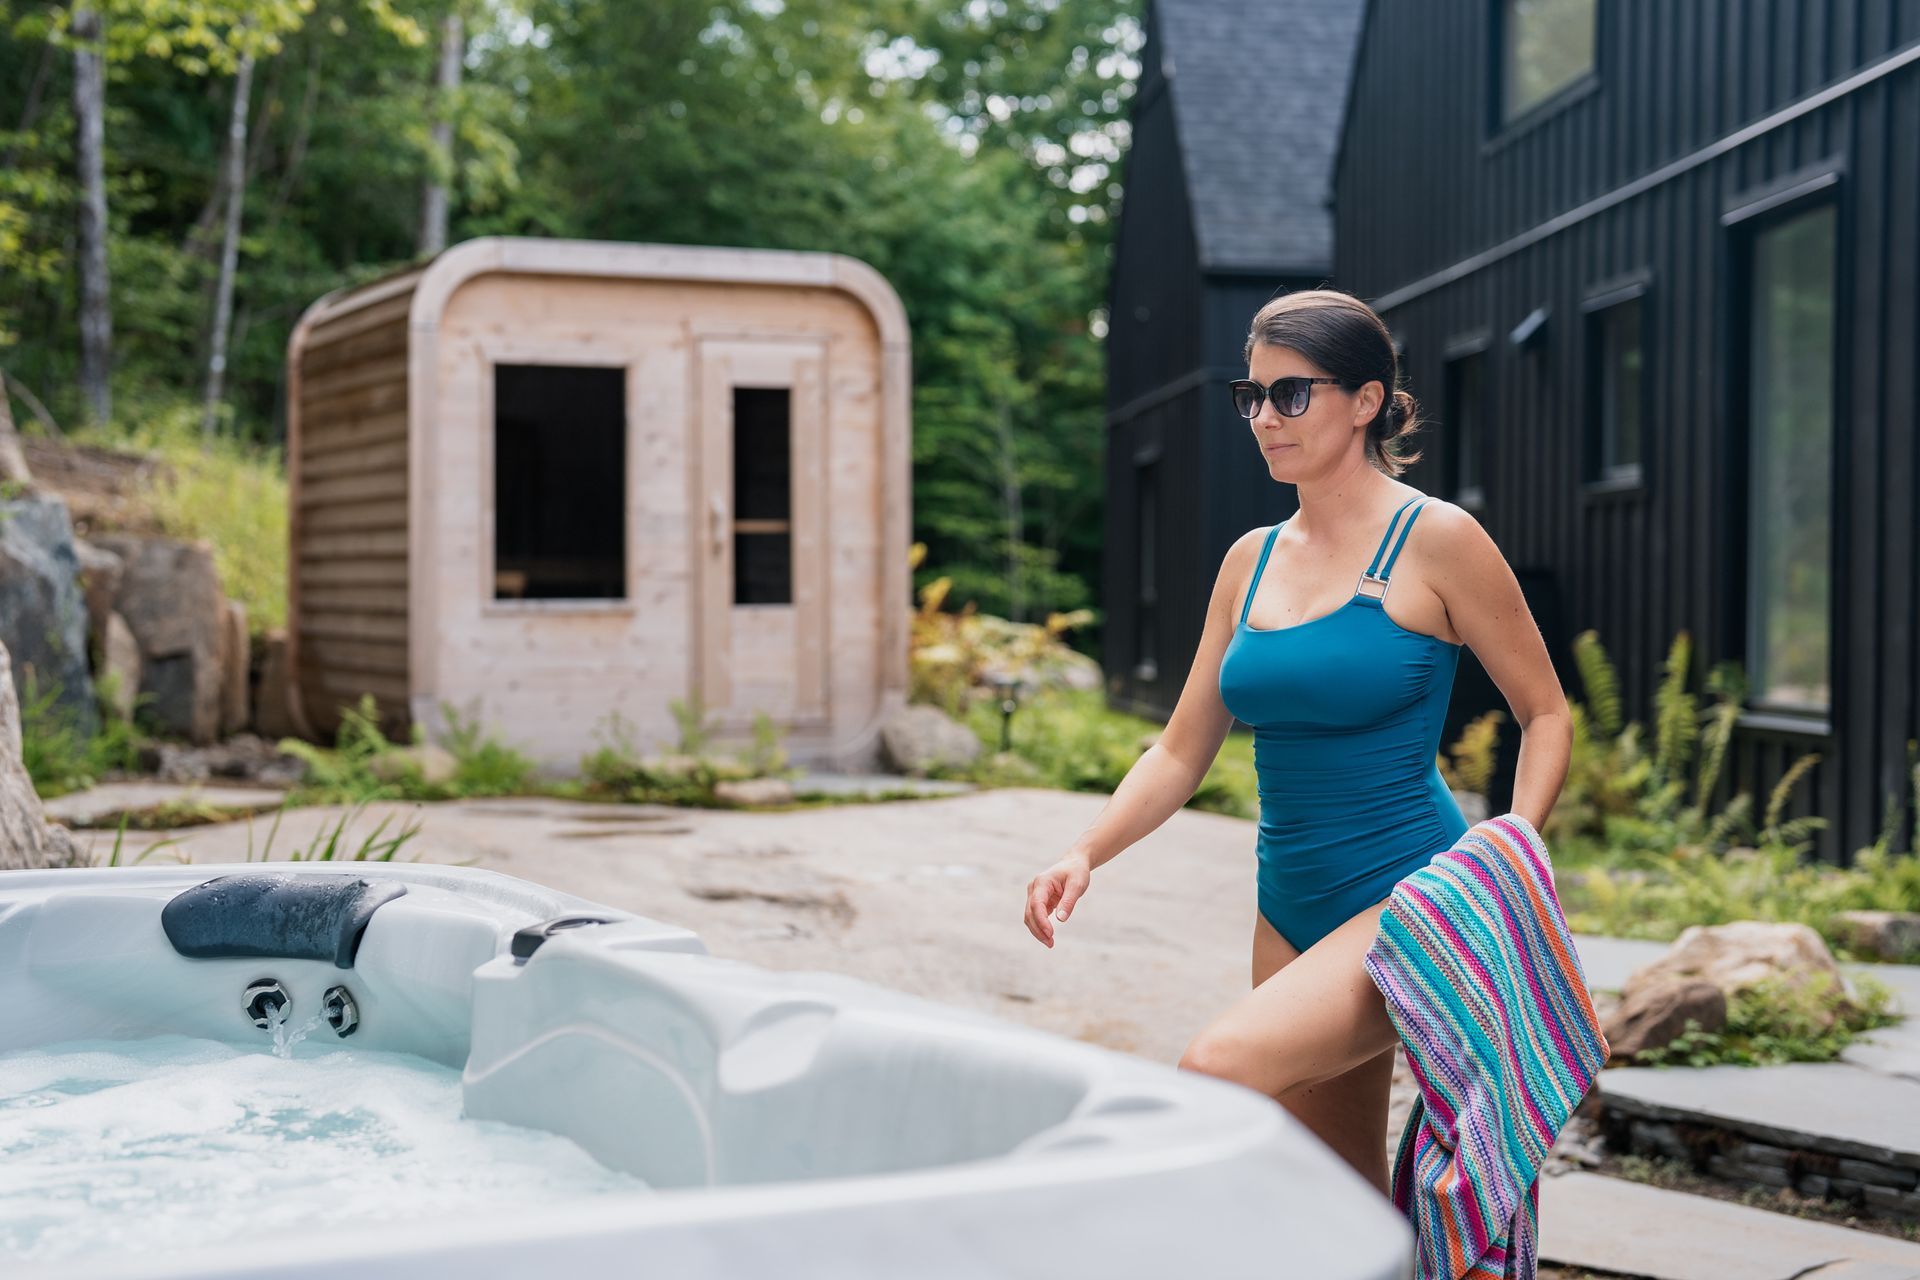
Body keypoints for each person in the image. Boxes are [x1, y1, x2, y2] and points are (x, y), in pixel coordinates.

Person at [1021, 287, 1573, 1198]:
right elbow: (1181, 750)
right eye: (1253, 396)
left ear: (1365, 401)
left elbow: (1545, 713)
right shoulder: (1250, 559)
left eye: (1291, 394)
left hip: (1407, 899)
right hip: (1287, 904)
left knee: (1216, 1068)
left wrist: (1508, 857)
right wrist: (1084, 852)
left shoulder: (1438, 539)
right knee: (1332, 1188)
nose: (1264, 419)